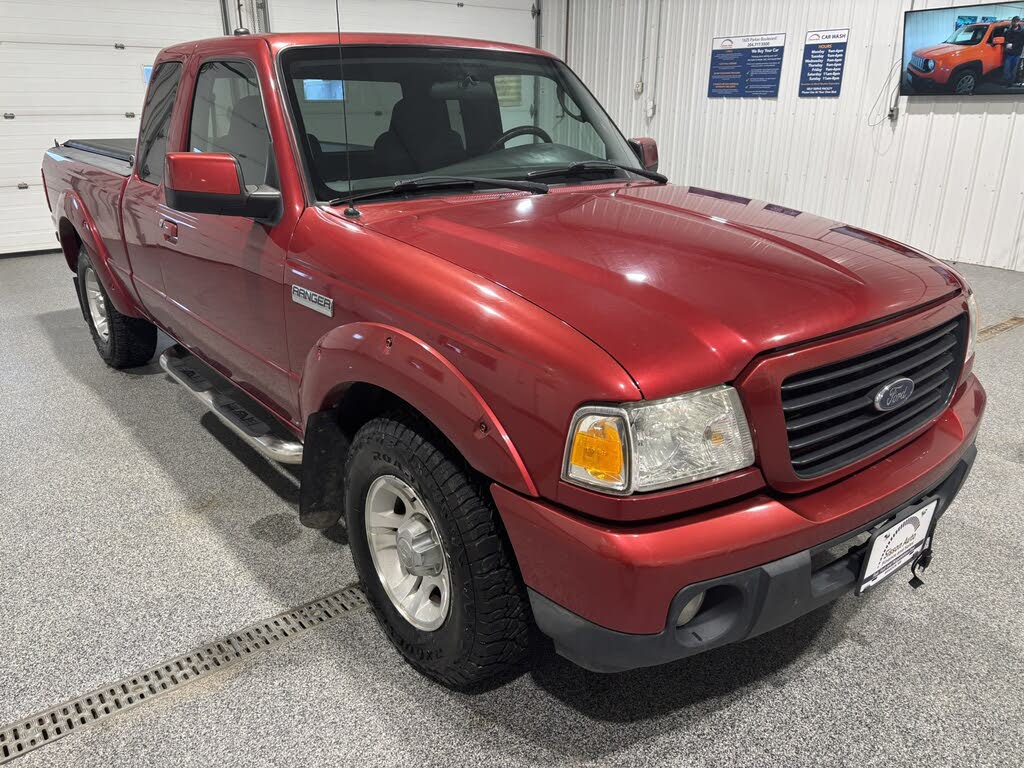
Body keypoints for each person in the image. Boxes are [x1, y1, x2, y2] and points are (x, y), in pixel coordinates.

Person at [1004, 17, 1024, 86]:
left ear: (1019, 22)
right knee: (1006, 69)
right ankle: (1007, 81)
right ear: (1012, 22)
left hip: (1017, 53)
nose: (1015, 23)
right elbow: (1004, 39)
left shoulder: (1022, 32)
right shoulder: (1008, 31)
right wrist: (1006, 44)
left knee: (1013, 69)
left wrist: (1013, 45)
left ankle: (1010, 83)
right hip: (1008, 53)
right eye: (1013, 22)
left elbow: (1022, 42)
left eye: (1016, 22)